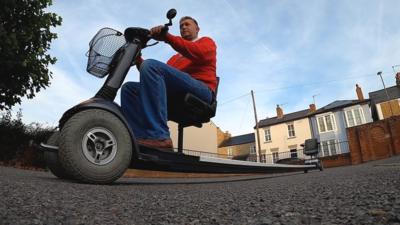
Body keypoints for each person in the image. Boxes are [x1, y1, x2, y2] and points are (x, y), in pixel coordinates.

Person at [121, 16, 217, 150]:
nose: (183, 27)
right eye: (181, 26)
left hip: (202, 91)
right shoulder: (174, 58)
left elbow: (200, 53)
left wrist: (167, 37)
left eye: (187, 24)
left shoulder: (206, 42)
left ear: (197, 28)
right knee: (129, 89)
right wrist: (138, 59)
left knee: (152, 65)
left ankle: (160, 137)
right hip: (176, 93)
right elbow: (154, 76)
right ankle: (138, 136)